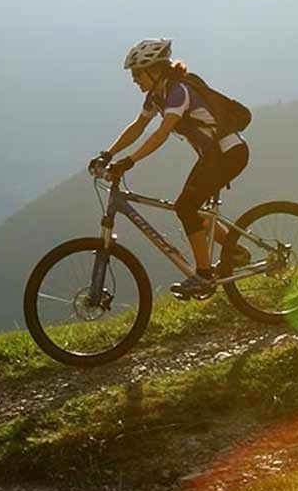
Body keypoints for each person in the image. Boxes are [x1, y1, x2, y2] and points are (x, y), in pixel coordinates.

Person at [90, 38, 249, 299]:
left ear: (154, 70)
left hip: (229, 153)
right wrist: (107, 154)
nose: (134, 80)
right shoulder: (158, 95)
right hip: (214, 156)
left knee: (185, 207)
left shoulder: (178, 92)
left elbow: (161, 133)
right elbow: (138, 127)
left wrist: (129, 161)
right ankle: (235, 251)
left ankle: (203, 275)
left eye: (137, 73)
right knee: (191, 207)